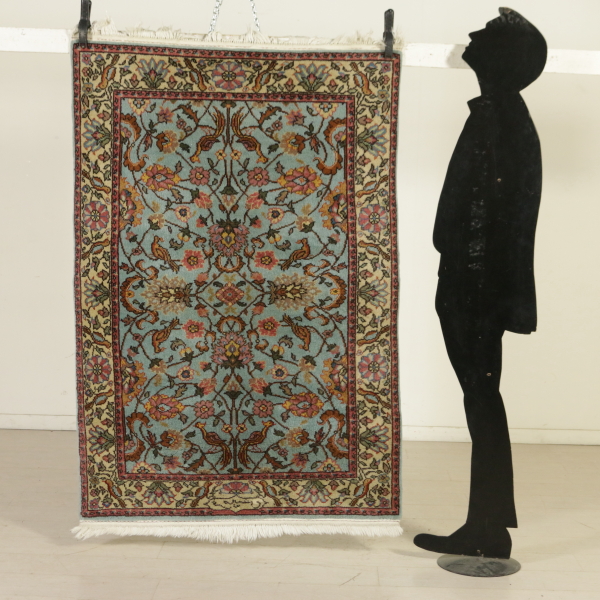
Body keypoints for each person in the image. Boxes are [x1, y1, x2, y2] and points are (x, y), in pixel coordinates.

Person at [413, 7, 547, 559]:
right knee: (482, 398)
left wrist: (465, 281)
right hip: (477, 282)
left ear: (502, 59)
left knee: (482, 399)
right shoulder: (502, 114)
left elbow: (490, 215)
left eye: (487, 35)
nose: (472, 36)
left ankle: (488, 529)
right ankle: (487, 524)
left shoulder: (500, 118)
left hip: (475, 285)